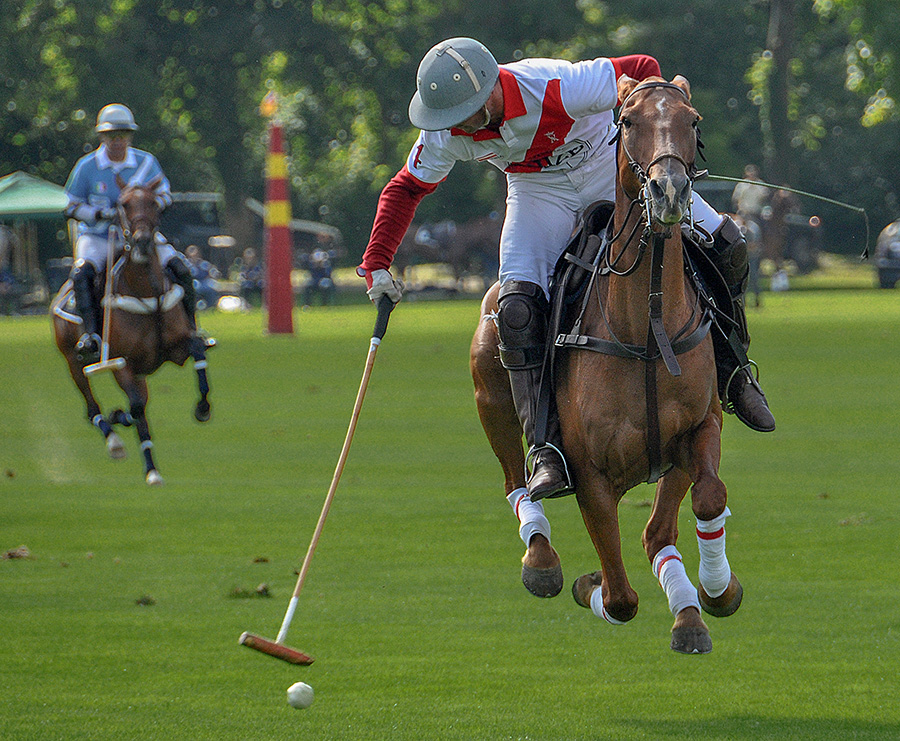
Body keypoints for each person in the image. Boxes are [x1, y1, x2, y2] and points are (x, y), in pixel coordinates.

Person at [358, 38, 775, 504]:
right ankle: (546, 446)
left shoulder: (557, 85)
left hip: (608, 167)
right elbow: (406, 188)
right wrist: (376, 262)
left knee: (729, 244)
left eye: (465, 113)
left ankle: (735, 374)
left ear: (490, 87)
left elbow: (643, 65)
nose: (458, 126)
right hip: (538, 192)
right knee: (515, 310)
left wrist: (649, 118)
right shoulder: (446, 130)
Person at [64, 103, 209, 363]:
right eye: (111, 136)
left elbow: (165, 195)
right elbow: (71, 205)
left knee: (181, 269)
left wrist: (147, 207)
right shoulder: (87, 167)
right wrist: (100, 214)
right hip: (99, 236)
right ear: (102, 137)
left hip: (141, 234)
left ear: (130, 136)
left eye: (122, 135)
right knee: (83, 272)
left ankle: (192, 331)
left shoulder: (145, 162)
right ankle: (90, 335)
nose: (117, 141)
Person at [184, 244, 221, 309]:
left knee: (211, 286)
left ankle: (210, 306)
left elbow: (212, 272)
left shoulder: (203, 263)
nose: (194, 254)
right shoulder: (186, 264)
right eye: (191, 251)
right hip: (192, 282)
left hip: (203, 281)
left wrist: (212, 274)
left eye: (195, 252)